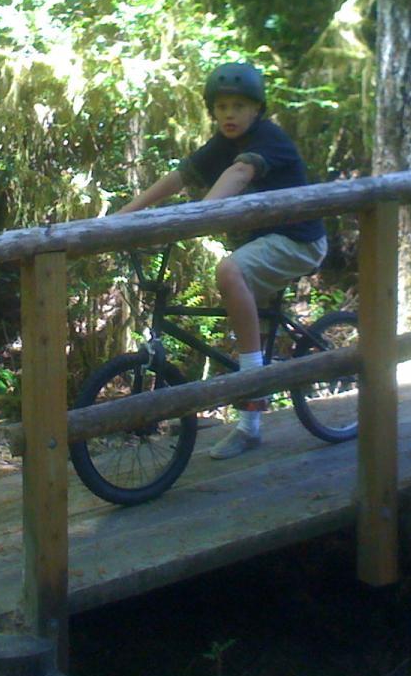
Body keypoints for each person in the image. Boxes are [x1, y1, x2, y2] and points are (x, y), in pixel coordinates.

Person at [116, 62, 327, 459]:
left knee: (229, 270)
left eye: (238, 106)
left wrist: (196, 216)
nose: (229, 114)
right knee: (242, 315)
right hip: (265, 240)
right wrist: (125, 215)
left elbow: (242, 173)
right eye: (222, 106)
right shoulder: (221, 141)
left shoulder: (268, 139)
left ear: (256, 110)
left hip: (299, 241)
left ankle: (253, 379)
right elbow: (180, 176)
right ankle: (250, 426)